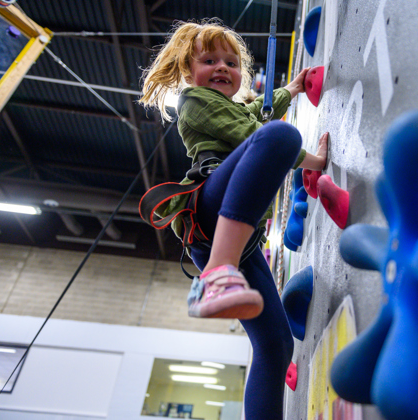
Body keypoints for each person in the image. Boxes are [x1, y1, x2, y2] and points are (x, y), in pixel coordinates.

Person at [139, 19, 327, 420]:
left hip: (241, 241)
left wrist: (290, 91)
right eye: (210, 60)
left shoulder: (226, 104)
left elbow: (253, 111)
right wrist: (315, 161)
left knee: (276, 345)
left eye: (231, 62)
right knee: (280, 137)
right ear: (189, 72)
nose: (223, 67)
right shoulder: (192, 100)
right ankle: (217, 274)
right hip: (211, 207)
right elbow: (251, 131)